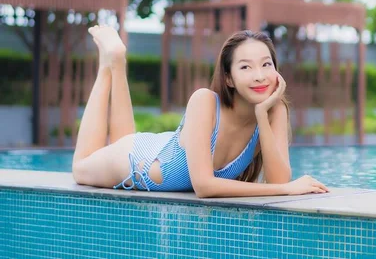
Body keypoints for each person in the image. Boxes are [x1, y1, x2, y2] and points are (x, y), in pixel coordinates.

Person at [72, 25, 329, 198]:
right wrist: (286, 190)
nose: (260, 76)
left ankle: (118, 65)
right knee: (81, 168)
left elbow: (278, 179)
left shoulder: (274, 111)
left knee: (123, 137)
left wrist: (262, 115)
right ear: (228, 78)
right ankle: (109, 65)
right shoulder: (205, 101)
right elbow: (204, 186)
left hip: (163, 147)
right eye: (246, 67)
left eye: (266, 64)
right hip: (136, 161)